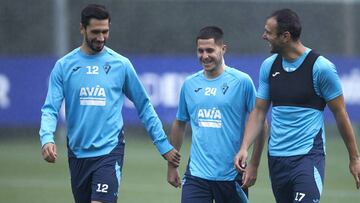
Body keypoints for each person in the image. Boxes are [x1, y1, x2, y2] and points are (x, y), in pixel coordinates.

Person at [39, 4, 180, 203]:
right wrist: (47, 138)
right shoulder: (64, 66)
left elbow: (144, 106)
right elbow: (50, 108)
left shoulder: (120, 65)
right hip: (77, 153)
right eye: (95, 32)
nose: (101, 37)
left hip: (109, 151)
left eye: (105, 31)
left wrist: (163, 145)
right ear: (82, 28)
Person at [234, 8, 360, 203]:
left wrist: (354, 158)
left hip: (307, 158)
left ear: (285, 36)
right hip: (276, 159)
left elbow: (340, 113)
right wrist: (245, 148)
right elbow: (259, 112)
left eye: (268, 32)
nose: (263, 36)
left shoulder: (321, 68)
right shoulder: (269, 66)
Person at [167, 26, 267, 203]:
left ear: (223, 49)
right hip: (196, 176)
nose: (204, 56)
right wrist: (171, 165)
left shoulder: (242, 82)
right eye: (200, 51)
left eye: (210, 50)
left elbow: (261, 123)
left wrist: (254, 164)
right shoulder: (189, 84)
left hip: (231, 176)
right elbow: (180, 123)